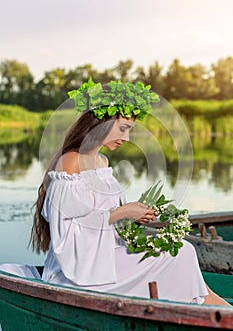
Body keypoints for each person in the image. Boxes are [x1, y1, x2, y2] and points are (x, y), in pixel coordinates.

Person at [0, 79, 230, 306]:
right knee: (181, 254)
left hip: (107, 254)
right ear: (101, 123)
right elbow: (66, 228)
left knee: (183, 253)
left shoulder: (102, 161)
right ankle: (212, 310)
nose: (127, 138)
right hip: (80, 271)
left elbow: (106, 215)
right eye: (123, 129)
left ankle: (214, 309)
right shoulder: (71, 161)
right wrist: (122, 212)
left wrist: (137, 214)